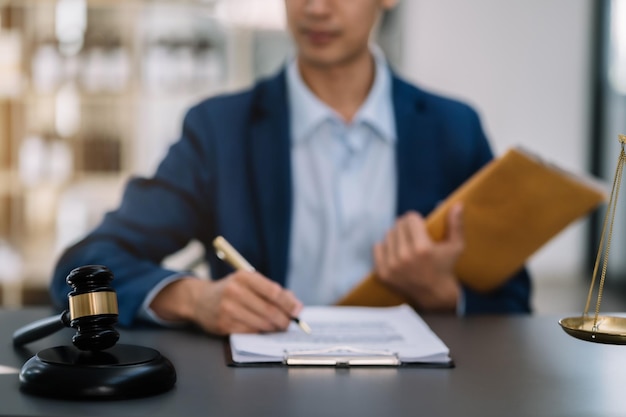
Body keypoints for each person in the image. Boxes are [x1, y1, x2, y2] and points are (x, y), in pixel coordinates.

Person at [50, 0, 531, 335]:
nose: (315, 8)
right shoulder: (220, 130)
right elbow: (84, 264)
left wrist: (444, 294)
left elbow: (513, 300)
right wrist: (195, 300)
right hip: (261, 395)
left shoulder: (453, 129)